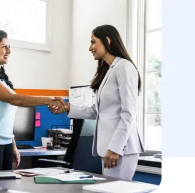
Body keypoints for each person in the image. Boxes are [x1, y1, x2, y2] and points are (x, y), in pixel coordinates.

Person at [50, 25, 144, 180]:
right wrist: (67, 107)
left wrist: (115, 148)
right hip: (110, 149)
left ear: (107, 40)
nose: (90, 48)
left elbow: (129, 113)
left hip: (121, 149)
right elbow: (96, 111)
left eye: (93, 42)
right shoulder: (109, 70)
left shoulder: (124, 67)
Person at [0, 30, 63, 172]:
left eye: (9, 47)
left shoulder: (0, 79)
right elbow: (14, 99)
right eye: (4, 46)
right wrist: (49, 100)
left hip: (4, 142)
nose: (9, 51)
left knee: (4, 186)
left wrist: (12, 145)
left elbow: (5, 118)